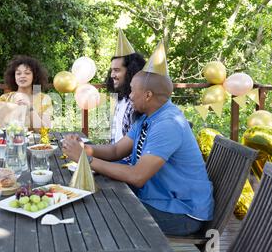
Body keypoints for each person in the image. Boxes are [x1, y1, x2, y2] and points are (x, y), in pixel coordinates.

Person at [63, 42, 214, 236]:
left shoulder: (168, 123)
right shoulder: (147, 116)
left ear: (148, 95)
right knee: (93, 197)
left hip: (182, 212)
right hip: (160, 199)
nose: (130, 96)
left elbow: (137, 176)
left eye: (133, 91)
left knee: (101, 211)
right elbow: (116, 150)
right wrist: (82, 147)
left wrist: (86, 159)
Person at [106, 29, 145, 163]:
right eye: (111, 70)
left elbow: (132, 153)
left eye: (117, 70)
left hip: (126, 165)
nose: (112, 75)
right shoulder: (120, 99)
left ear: (131, 72)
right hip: (115, 159)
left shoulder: (138, 104)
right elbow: (114, 145)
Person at [0, 55, 52, 131]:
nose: (22, 76)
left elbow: (44, 131)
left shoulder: (44, 99)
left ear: (34, 76)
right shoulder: (5, 98)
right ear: (14, 77)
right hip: (10, 142)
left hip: (36, 142)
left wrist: (30, 109)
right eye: (18, 73)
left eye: (27, 73)